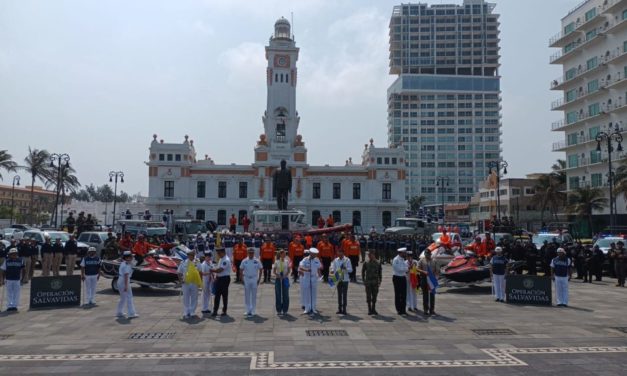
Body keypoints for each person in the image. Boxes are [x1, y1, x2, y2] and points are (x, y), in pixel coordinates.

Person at [178, 248, 202, 318]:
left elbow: (200, 272)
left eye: (192, 255)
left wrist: (200, 282)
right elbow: (179, 272)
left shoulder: (197, 262)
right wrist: (180, 280)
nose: (191, 256)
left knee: (194, 297)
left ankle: (192, 312)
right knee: (186, 297)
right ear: (188, 255)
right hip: (186, 283)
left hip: (194, 282)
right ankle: (186, 311)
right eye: (190, 255)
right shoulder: (183, 262)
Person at [240, 248, 262, 316]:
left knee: (254, 295)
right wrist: (242, 279)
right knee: (247, 295)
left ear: (254, 253)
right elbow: (241, 269)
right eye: (250, 253)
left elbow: (261, 269)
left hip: (254, 278)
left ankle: (253, 310)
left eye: (252, 253)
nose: (251, 254)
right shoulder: (244, 261)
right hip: (246, 278)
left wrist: (259, 279)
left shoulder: (257, 260)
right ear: (247, 253)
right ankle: (247, 310)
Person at [330, 247, 353, 315]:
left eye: (341, 252)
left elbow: (351, 270)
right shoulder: (335, 260)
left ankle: (344, 309)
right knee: (339, 294)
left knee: (344, 295)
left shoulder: (347, 260)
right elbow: (332, 268)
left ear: (343, 253)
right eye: (338, 252)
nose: (339, 253)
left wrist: (345, 268)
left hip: (345, 279)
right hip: (338, 279)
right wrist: (332, 272)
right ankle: (339, 308)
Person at [299, 248, 322, 315]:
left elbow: (319, 266)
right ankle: (307, 308)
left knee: (313, 293)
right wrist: (306, 270)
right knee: (307, 293)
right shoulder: (305, 259)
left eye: (316, 254)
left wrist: (319, 274)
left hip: (314, 278)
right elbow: (300, 267)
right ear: (311, 254)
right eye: (314, 254)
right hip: (307, 277)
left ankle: (313, 308)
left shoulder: (317, 259)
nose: (315, 255)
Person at [116, 251, 138, 318]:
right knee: (129, 297)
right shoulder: (126, 266)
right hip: (124, 281)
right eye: (131, 256)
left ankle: (119, 312)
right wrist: (126, 286)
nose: (132, 257)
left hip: (120, 281)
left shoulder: (124, 263)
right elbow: (126, 276)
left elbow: (133, 262)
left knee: (123, 298)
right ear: (127, 258)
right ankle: (131, 313)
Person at [211, 248, 231, 317]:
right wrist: (216, 277)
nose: (218, 255)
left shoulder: (226, 260)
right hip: (219, 279)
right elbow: (218, 268)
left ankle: (224, 311)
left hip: (224, 279)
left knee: (224, 295)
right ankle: (215, 311)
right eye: (218, 253)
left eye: (219, 253)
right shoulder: (221, 259)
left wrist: (212, 270)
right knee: (217, 295)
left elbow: (220, 270)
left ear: (223, 252)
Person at [418, 249, 438, 316]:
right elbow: (417, 268)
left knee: (432, 295)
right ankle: (425, 309)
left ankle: (432, 310)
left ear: (430, 254)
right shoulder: (421, 260)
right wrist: (423, 272)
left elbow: (437, 270)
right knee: (425, 295)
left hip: (431, 280)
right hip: (424, 278)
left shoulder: (434, 261)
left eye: (428, 254)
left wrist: (435, 274)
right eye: (426, 254)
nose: (427, 255)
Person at [362, 249, 382, 315]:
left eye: (370, 254)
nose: (369, 256)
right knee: (368, 296)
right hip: (368, 282)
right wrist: (363, 280)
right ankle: (369, 309)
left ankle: (373, 309)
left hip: (375, 282)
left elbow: (380, 273)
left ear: (373, 255)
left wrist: (380, 281)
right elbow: (363, 272)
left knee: (374, 296)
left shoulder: (378, 263)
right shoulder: (366, 262)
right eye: (368, 255)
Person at [273, 249, 290, 316]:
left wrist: (285, 275)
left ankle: (285, 309)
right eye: (283, 254)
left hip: (285, 279)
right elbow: (274, 271)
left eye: (285, 254)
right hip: (278, 279)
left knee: (286, 294)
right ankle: (279, 309)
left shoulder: (287, 261)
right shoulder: (277, 262)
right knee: (278, 294)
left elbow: (289, 270)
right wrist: (278, 275)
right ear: (280, 254)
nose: (284, 255)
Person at [392, 248, 409, 315]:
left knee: (404, 294)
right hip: (397, 278)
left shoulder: (403, 259)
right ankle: (399, 309)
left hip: (403, 277)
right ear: (401, 253)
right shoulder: (396, 259)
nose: (405, 254)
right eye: (404, 252)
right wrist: (406, 269)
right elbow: (399, 269)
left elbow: (406, 268)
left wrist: (405, 269)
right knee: (398, 294)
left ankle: (403, 309)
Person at [199, 250, 214, 314]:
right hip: (205, 280)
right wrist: (209, 273)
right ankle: (204, 308)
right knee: (204, 295)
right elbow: (202, 273)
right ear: (205, 257)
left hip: (209, 280)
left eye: (209, 256)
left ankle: (207, 307)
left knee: (208, 294)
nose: (209, 258)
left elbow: (212, 269)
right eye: (207, 257)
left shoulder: (210, 262)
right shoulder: (203, 264)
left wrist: (212, 275)